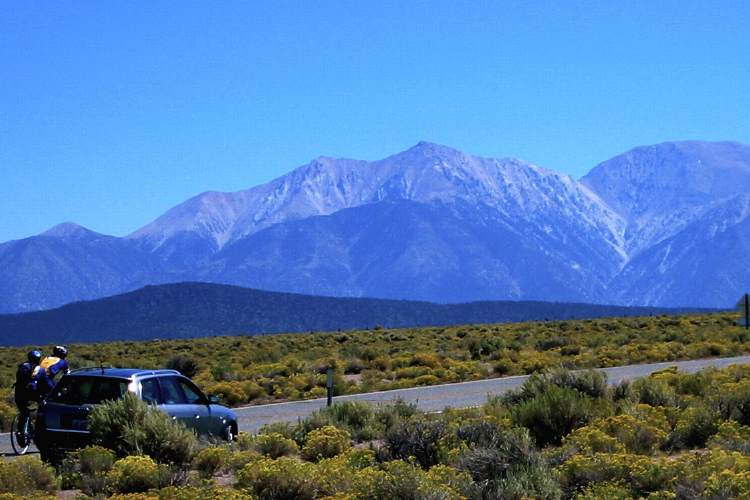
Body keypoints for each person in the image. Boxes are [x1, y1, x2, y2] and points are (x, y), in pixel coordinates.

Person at [14, 350, 54, 443]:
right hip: (33, 393)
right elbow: (48, 384)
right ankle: (40, 425)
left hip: (20, 393)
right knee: (42, 407)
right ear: (39, 359)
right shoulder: (40, 369)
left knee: (23, 412)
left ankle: (20, 431)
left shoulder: (22, 367)